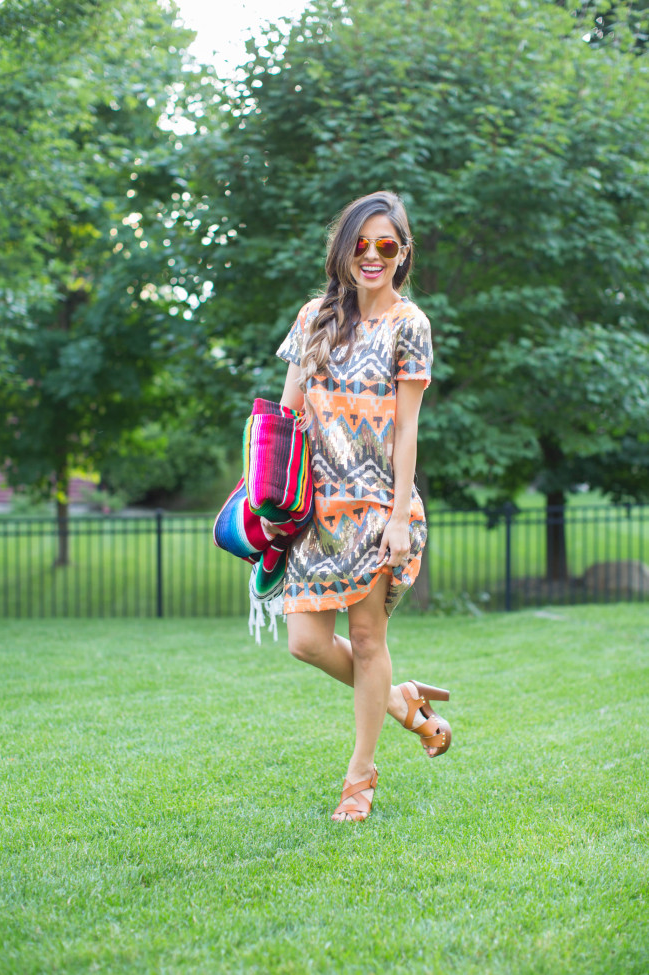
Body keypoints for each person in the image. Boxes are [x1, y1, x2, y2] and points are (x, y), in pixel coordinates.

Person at [266, 190, 451, 822]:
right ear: (343, 250)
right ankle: (402, 702)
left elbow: (407, 429)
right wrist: (267, 496)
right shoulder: (312, 316)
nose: (372, 257)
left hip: (374, 504)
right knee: (306, 642)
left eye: (387, 246)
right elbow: (287, 414)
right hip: (312, 510)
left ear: (402, 255)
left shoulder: (410, 324)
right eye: (361, 245)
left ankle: (360, 778)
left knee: (368, 639)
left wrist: (400, 516)